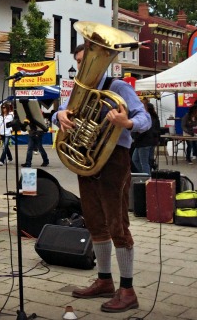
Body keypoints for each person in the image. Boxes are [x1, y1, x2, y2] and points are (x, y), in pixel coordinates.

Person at [53, 43, 150, 313]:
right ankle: (105, 281)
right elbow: (58, 114)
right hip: (87, 159)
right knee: (95, 221)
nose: (83, 67)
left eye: (87, 61)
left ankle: (128, 290)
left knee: (117, 223)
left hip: (114, 159)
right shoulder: (78, 91)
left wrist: (127, 123)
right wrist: (58, 114)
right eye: (79, 62)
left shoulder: (119, 88)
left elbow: (144, 118)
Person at [131, 101, 160, 174]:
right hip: (145, 142)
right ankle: (143, 174)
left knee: (143, 162)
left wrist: (134, 136)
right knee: (136, 160)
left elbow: (143, 130)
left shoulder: (147, 118)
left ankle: (147, 177)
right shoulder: (154, 118)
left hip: (144, 142)